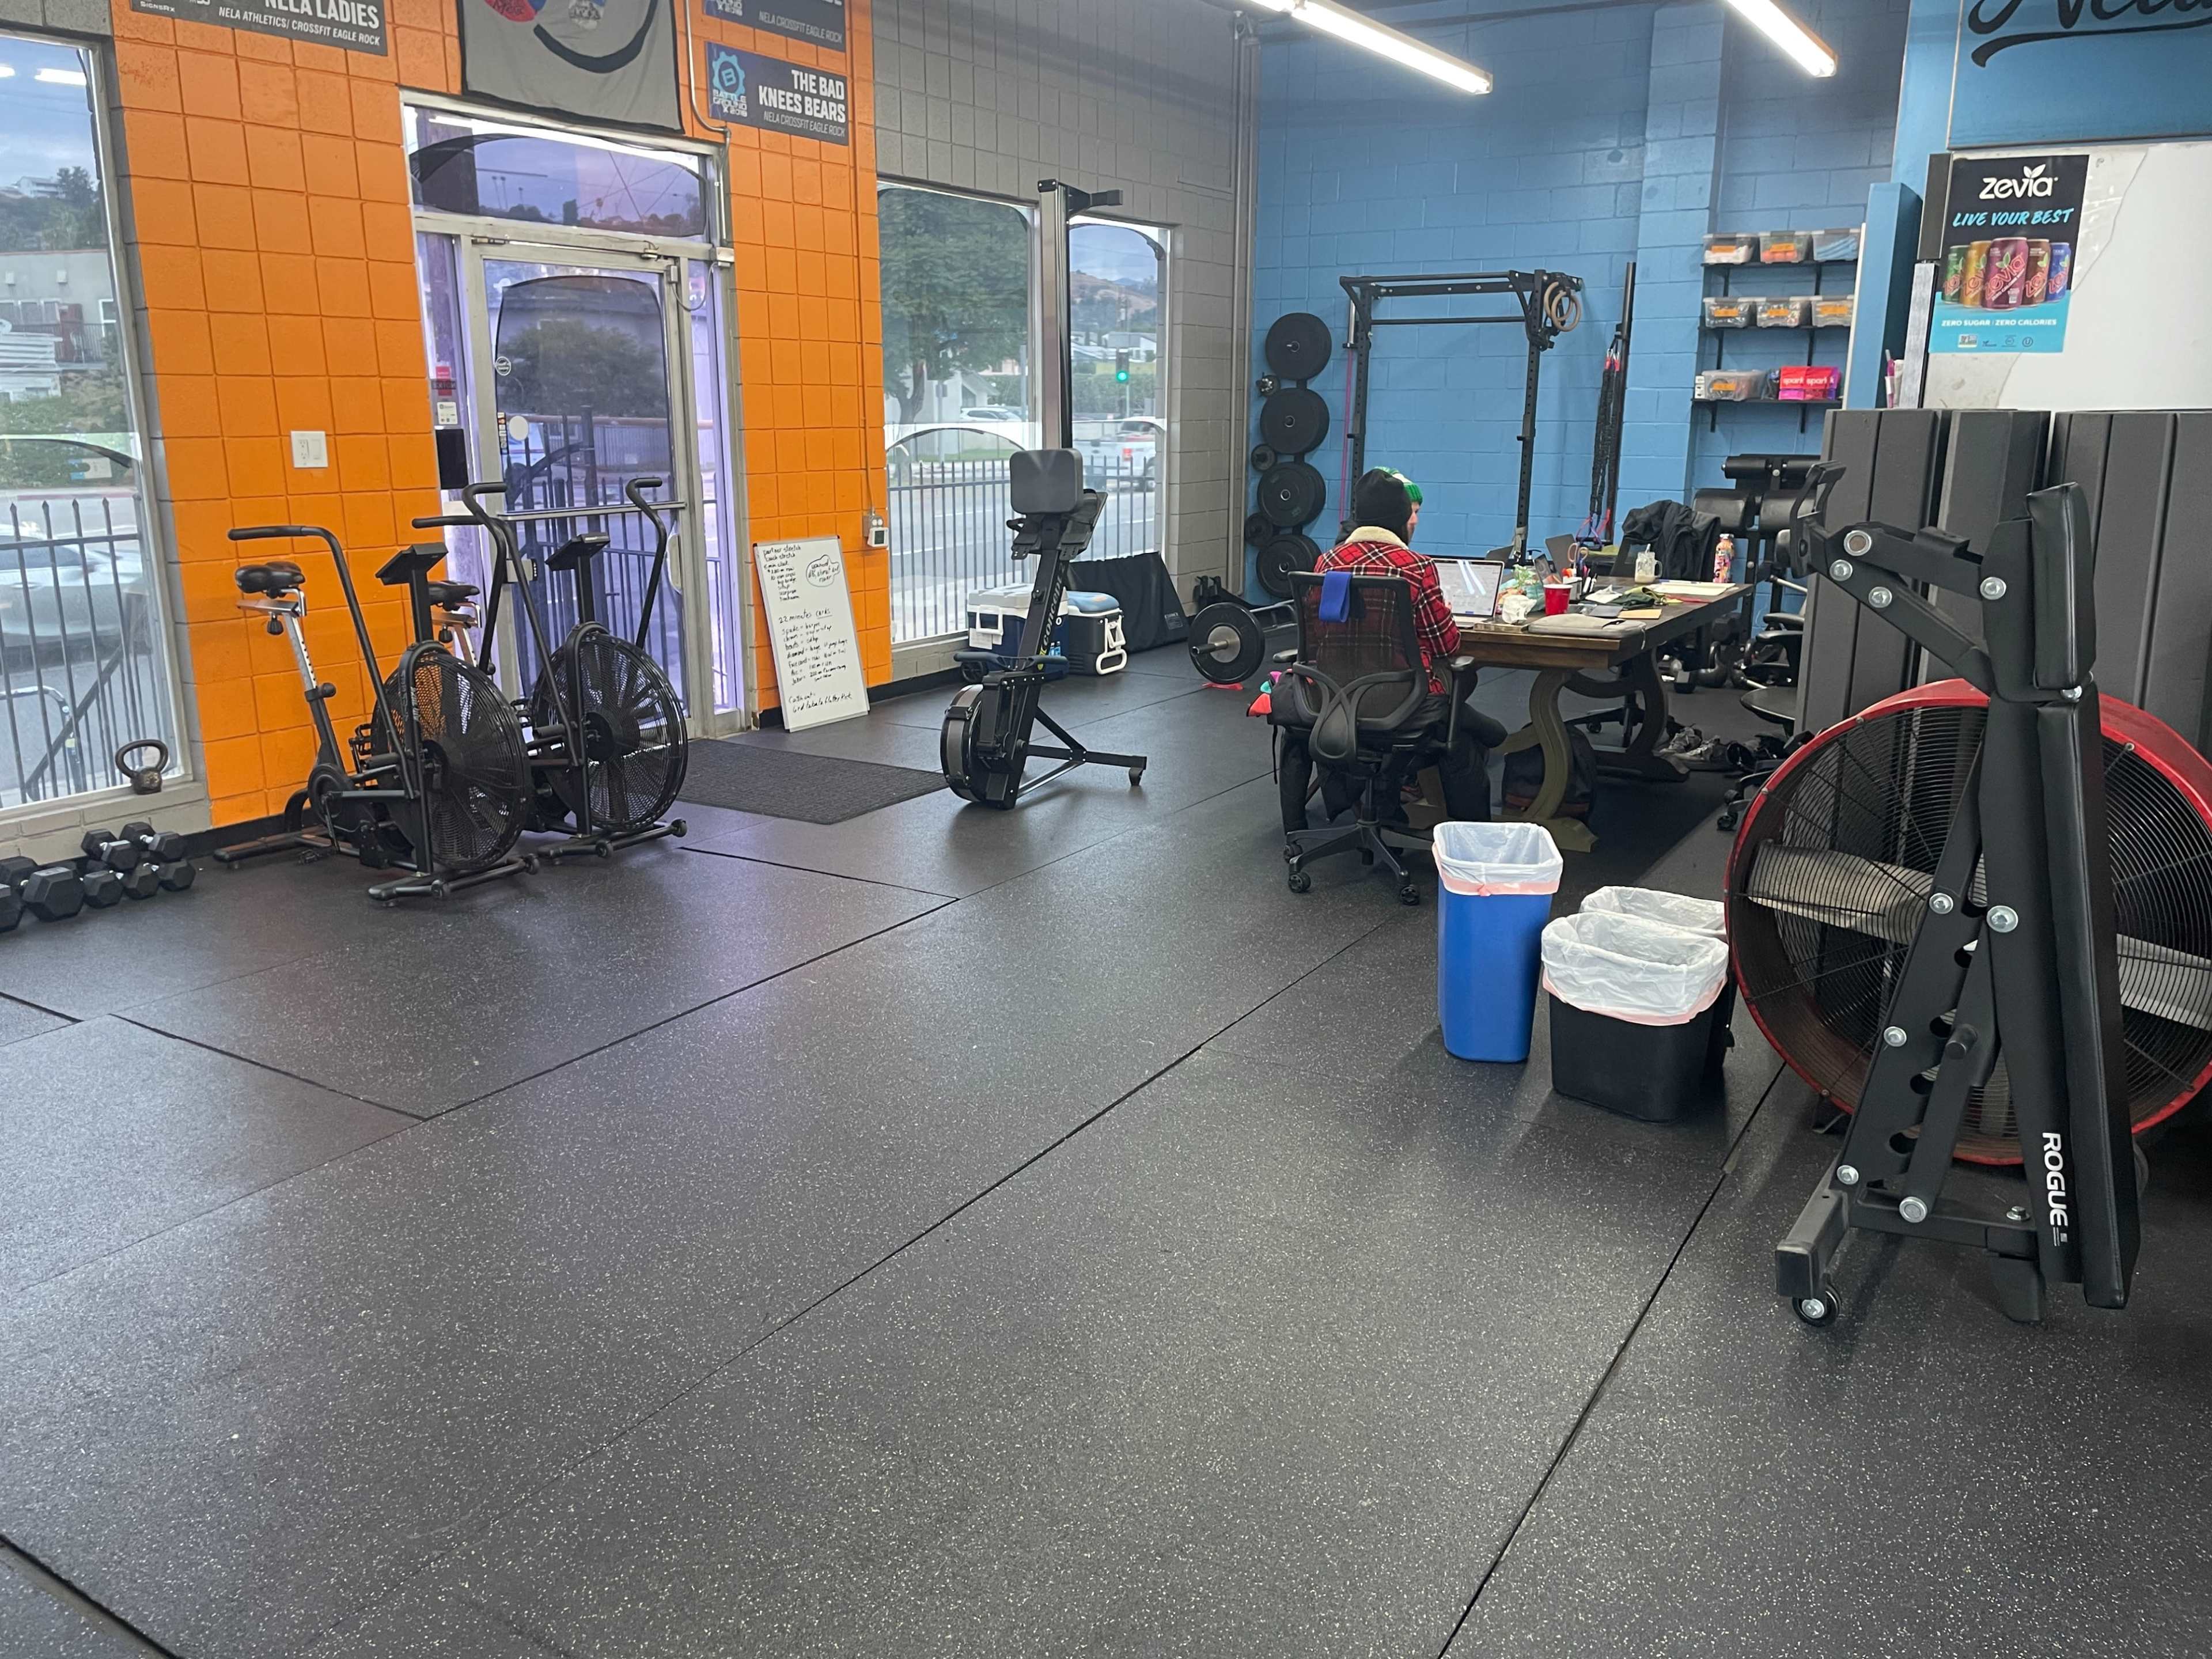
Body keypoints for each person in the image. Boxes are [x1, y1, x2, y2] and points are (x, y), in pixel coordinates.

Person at [1279, 467, 1503, 831]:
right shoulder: (1416, 567)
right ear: (1401, 519)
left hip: (1331, 700)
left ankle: (1308, 825)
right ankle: (1475, 841)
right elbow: (1446, 644)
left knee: (1454, 716)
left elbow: (1318, 637)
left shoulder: (1327, 563)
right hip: (1401, 704)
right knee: (1457, 725)